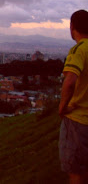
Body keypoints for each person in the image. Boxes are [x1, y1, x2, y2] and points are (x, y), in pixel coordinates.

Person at [59, 9, 88, 184]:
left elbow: (69, 82)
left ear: (72, 28)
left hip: (78, 119)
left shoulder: (79, 50)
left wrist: (62, 107)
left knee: (76, 169)